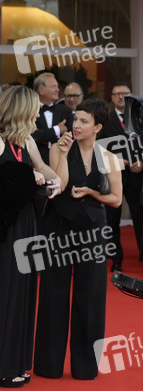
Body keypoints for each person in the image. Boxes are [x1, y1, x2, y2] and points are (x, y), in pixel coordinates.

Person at [0, 85, 61, 388]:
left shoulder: (26, 139)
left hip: (26, 221)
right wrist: (31, 177)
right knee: (2, 293)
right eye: (34, 109)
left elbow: (42, 167)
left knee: (24, 291)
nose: (38, 115)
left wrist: (56, 179)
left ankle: (17, 362)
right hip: (2, 223)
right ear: (22, 110)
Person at [34, 98, 122, 379]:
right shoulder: (58, 148)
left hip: (93, 232)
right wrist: (61, 154)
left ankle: (86, 367)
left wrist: (91, 192)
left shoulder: (108, 157)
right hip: (58, 227)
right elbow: (58, 185)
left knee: (91, 296)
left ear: (97, 127)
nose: (77, 125)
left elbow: (116, 199)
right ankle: (48, 365)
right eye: (75, 119)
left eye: (84, 121)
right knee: (53, 293)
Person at [99, 82, 143, 272]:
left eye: (125, 93)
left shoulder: (140, 117)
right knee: (112, 220)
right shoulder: (105, 120)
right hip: (113, 176)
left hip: (137, 177)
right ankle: (116, 259)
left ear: (131, 95)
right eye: (117, 94)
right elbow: (98, 147)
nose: (121, 97)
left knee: (140, 217)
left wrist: (142, 161)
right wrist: (117, 160)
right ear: (112, 97)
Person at [31, 72, 72, 166]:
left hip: (62, 161)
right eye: (53, 86)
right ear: (41, 90)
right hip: (36, 163)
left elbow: (71, 134)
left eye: (57, 86)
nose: (58, 90)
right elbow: (33, 136)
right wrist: (57, 129)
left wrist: (43, 134)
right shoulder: (31, 111)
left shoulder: (65, 110)